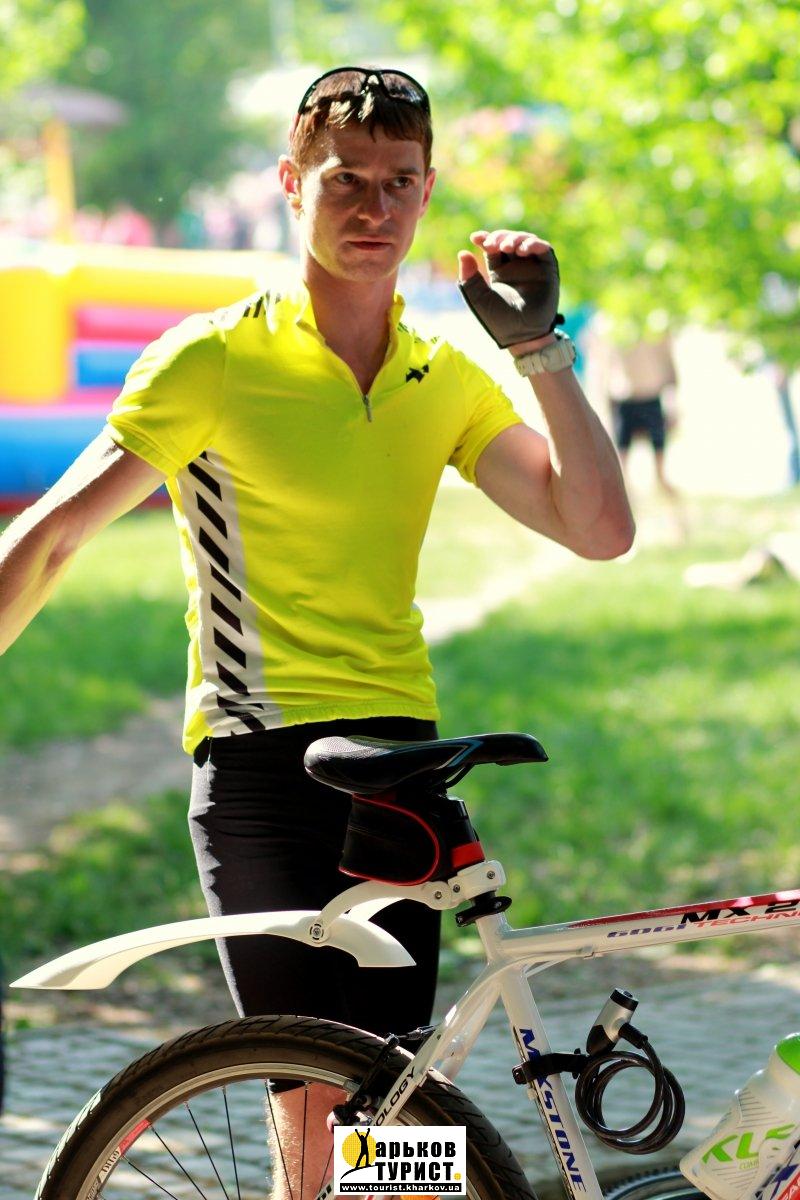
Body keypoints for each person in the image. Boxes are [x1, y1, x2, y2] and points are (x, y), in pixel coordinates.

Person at [0, 67, 633, 1198]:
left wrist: (541, 354)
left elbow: (597, 530)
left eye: (398, 183)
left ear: (428, 192)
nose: (373, 208)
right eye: (346, 181)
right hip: (263, 763)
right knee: (312, 1094)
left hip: (402, 764)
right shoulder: (214, 358)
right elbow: (51, 540)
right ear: (291, 184)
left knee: (393, 1116)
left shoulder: (442, 376)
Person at [587, 316, 681, 506]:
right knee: (622, 469)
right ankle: (627, 511)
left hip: (651, 396)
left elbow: (668, 362)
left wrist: (673, 404)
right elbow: (601, 366)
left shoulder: (656, 323)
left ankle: (677, 517)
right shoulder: (607, 324)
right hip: (623, 399)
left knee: (660, 470)